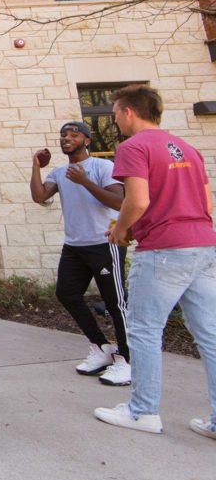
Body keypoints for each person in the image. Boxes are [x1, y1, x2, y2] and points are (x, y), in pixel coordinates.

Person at [94, 85, 216, 438]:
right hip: (204, 245)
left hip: (163, 251)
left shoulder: (133, 147)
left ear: (129, 112)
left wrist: (121, 230)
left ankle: (142, 411)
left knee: (144, 330)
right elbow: (206, 205)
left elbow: (139, 200)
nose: (115, 119)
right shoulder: (189, 149)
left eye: (116, 113)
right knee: (210, 334)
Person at [30, 121, 130, 385]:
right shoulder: (60, 172)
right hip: (75, 245)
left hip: (105, 242)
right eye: (63, 135)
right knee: (66, 294)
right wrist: (36, 167)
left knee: (115, 303)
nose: (66, 139)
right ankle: (101, 347)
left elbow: (119, 202)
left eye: (74, 135)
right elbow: (40, 196)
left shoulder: (103, 167)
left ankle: (128, 359)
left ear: (87, 140)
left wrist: (85, 181)